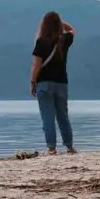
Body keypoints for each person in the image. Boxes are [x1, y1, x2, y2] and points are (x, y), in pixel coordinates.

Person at [30, 11, 77, 155]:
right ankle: (69, 147)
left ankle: (51, 148)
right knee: (63, 116)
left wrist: (33, 82)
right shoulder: (64, 40)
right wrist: (60, 22)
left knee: (48, 117)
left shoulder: (40, 41)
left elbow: (36, 66)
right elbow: (72, 30)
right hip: (62, 83)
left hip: (44, 84)